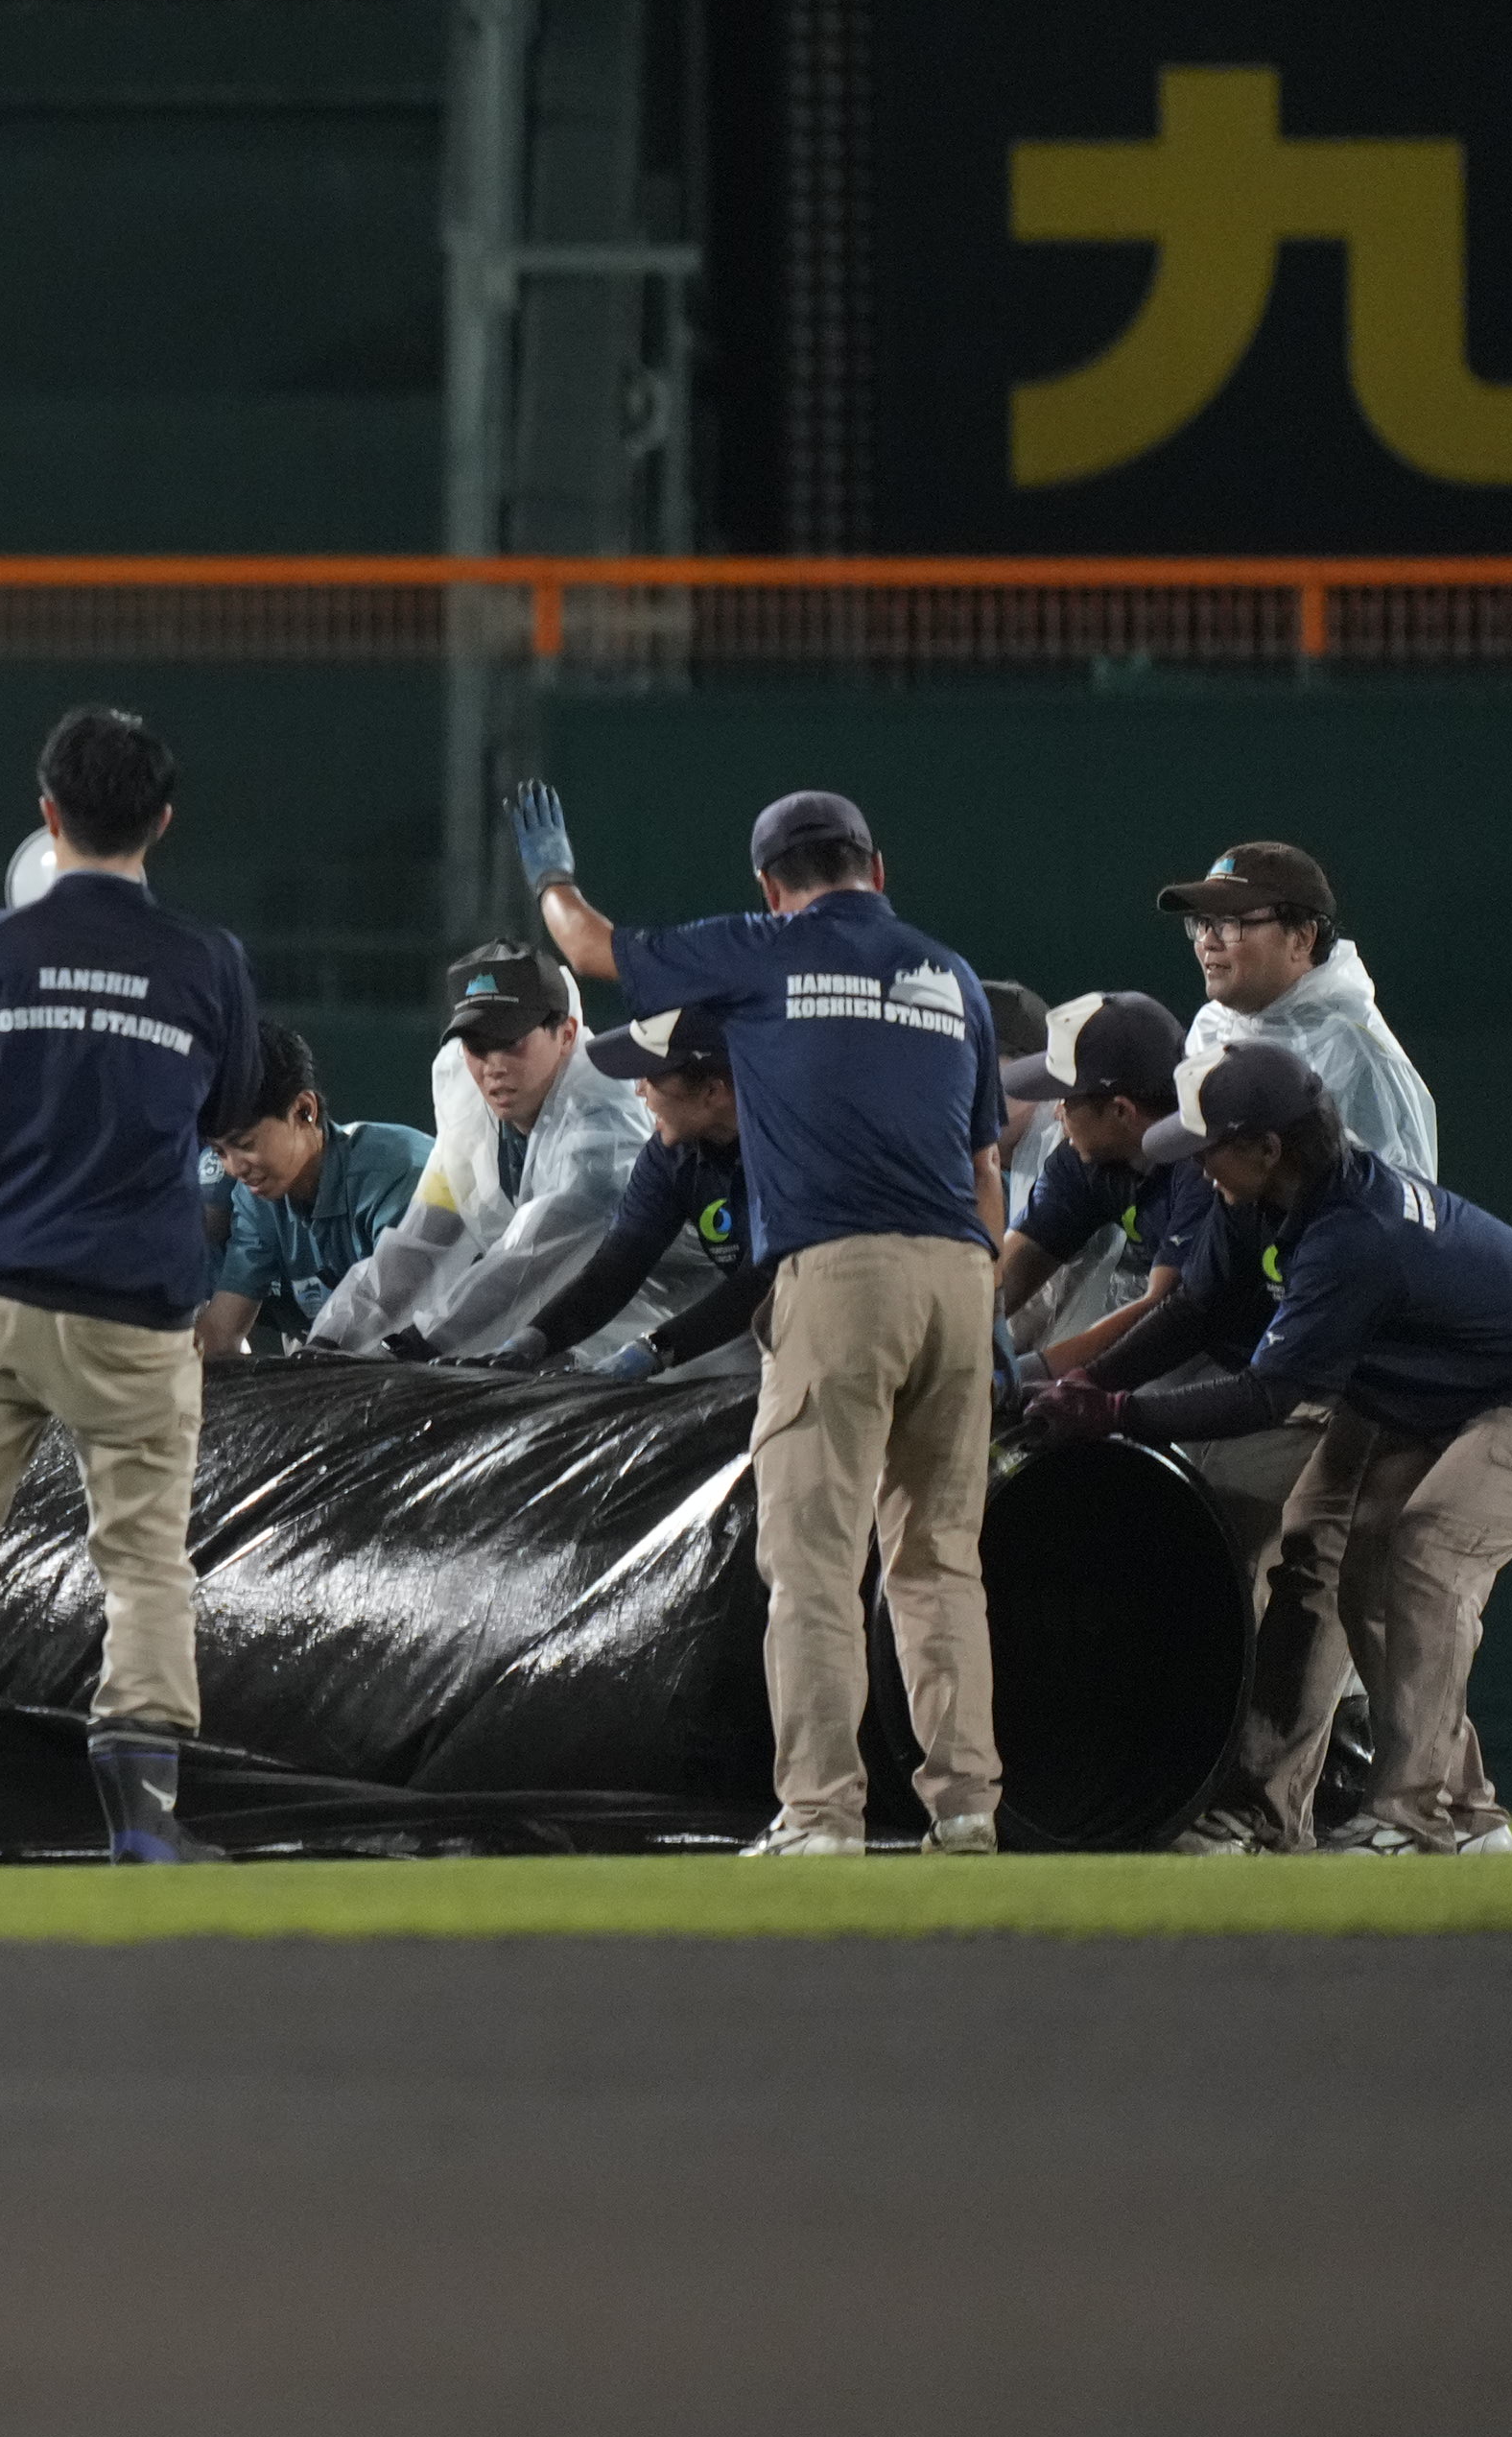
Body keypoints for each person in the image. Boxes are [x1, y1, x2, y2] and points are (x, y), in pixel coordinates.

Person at [517, 775, 1005, 1857]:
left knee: (818, 1561)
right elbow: (985, 1172)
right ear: (877, 873)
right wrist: (984, 1302)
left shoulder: (765, 949)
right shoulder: (951, 974)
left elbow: (588, 946)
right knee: (939, 1562)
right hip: (959, 1280)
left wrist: (549, 874)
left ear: (769, 887)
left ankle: (821, 1815)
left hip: (842, 1276)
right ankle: (968, 1805)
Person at [1031, 1041, 1512, 1857]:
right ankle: (1341, 1812)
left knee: (1425, 1553)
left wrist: (1117, 1415)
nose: (1198, 1164)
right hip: (1420, 1396)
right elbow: (1191, 1314)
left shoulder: (1357, 1235)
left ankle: (1415, 1814)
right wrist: (1089, 1386)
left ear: (1267, 1148)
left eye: (1210, 1146)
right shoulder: (1255, 1204)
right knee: (1319, 1553)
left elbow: (1266, 1396)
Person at [0, 707, 268, 1866]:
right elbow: (229, 1111)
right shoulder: (206, 961)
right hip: (135, 1312)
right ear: (162, 822)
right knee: (143, 1565)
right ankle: (144, 1819)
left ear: (47, 813)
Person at [316, 944, 674, 1363]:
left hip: (688, 1347)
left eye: (512, 1041)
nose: (493, 1065)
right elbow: (416, 1246)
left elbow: (529, 1261)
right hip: (569, 1345)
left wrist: (412, 1344)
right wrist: (330, 1339)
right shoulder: (470, 1111)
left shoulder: (605, 1121)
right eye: (477, 1045)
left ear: (567, 1034)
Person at [468, 1008, 769, 1384]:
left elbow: (768, 1275)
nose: (639, 1089)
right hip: (765, 1319)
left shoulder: (787, 1146)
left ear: (713, 1091)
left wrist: (656, 1348)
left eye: (652, 1076)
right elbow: (618, 1265)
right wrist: (530, 1341)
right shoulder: (672, 1154)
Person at [1158, 840, 1442, 1181]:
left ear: (1302, 938)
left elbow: (1400, 1212)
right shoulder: (1211, 1024)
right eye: (1203, 923)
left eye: (1230, 923)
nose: (1208, 941)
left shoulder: (1354, 1052)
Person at [992, 990, 1201, 1377]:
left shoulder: (1206, 1166)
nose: (1056, 1112)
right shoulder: (1084, 1157)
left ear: (1122, 1111)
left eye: (1068, 1099)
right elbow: (1007, 1277)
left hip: (1283, 1365)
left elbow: (1163, 1310)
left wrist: (1021, 1377)